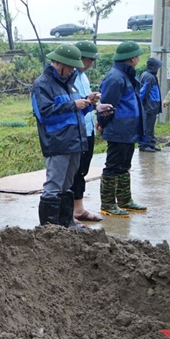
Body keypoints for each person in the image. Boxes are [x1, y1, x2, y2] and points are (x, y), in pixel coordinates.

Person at [32, 44, 90, 230]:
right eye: (70, 66)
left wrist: (88, 103)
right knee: (54, 184)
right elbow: (44, 113)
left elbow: (76, 111)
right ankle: (49, 228)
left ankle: (66, 221)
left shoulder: (69, 83)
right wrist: (74, 105)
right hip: (57, 142)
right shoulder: (42, 85)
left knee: (68, 184)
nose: (73, 70)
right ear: (58, 63)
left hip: (74, 141)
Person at [98, 41, 149, 218]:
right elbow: (107, 105)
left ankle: (125, 200)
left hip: (129, 129)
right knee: (113, 166)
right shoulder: (116, 77)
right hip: (118, 129)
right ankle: (108, 204)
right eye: (138, 56)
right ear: (132, 58)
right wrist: (102, 123)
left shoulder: (126, 75)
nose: (139, 59)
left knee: (125, 166)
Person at [71, 41, 106, 223]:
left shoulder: (83, 77)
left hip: (87, 128)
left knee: (82, 170)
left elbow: (84, 102)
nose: (91, 64)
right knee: (72, 170)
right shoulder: (69, 77)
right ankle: (68, 210)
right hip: (75, 130)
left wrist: (96, 105)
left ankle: (78, 208)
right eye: (88, 60)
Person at [138, 57, 163, 152]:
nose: (158, 69)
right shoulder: (149, 77)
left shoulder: (150, 75)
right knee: (147, 127)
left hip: (153, 105)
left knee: (151, 126)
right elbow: (143, 92)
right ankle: (144, 145)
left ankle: (151, 143)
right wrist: (142, 104)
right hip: (149, 106)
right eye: (157, 67)